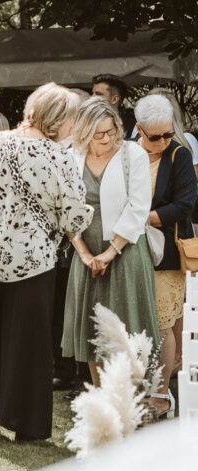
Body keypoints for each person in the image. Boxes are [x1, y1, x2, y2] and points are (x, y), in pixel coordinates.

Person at [0, 83, 93, 440]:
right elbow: (74, 217)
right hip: (28, 259)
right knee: (27, 342)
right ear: (58, 119)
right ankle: (25, 424)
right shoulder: (58, 156)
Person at [60, 98, 158, 385]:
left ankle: (131, 402)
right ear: (84, 132)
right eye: (98, 133)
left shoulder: (133, 155)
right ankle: (102, 398)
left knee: (128, 332)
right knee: (92, 333)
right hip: (86, 254)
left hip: (125, 251)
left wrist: (109, 253)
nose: (107, 138)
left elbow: (138, 208)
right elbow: (65, 207)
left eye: (111, 131)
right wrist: (85, 253)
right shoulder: (71, 155)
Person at [136, 93, 198, 417]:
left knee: (162, 323)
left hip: (169, 252)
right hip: (133, 250)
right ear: (139, 130)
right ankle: (155, 387)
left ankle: (161, 397)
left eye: (168, 133)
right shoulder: (128, 153)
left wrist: (141, 217)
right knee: (160, 325)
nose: (163, 140)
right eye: (155, 136)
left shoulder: (179, 156)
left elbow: (185, 205)